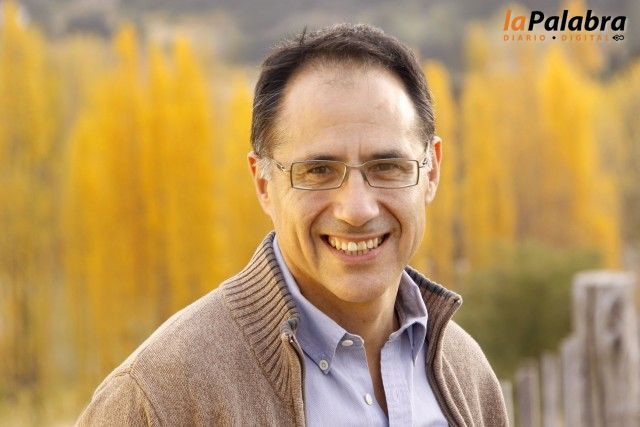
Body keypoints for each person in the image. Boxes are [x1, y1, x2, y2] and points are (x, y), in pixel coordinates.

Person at [77, 24, 508, 426]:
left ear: (431, 171)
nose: (356, 210)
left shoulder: (466, 373)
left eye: (387, 166)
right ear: (264, 183)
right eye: (318, 170)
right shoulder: (159, 397)